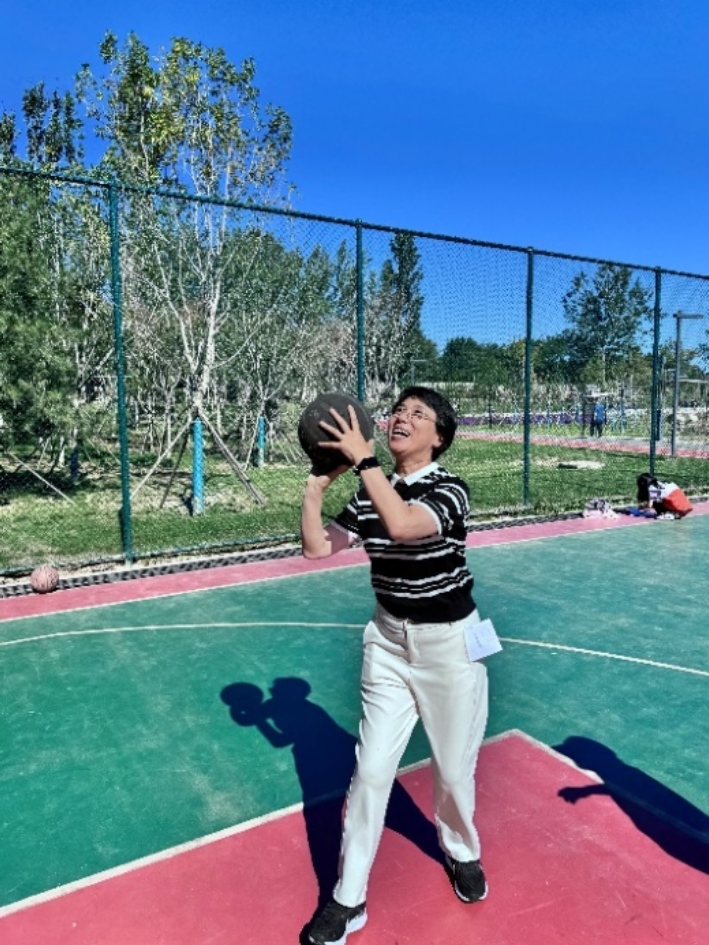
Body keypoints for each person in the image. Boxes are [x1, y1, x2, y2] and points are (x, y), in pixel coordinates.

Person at [301, 386, 489, 945]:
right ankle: (348, 898)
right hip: (386, 644)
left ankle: (462, 850)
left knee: (452, 771)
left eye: (418, 414)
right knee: (370, 773)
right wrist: (315, 490)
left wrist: (364, 461)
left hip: (451, 647)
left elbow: (405, 524)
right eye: (398, 410)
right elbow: (318, 548)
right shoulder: (369, 493)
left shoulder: (450, 489)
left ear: (439, 437)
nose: (401, 418)